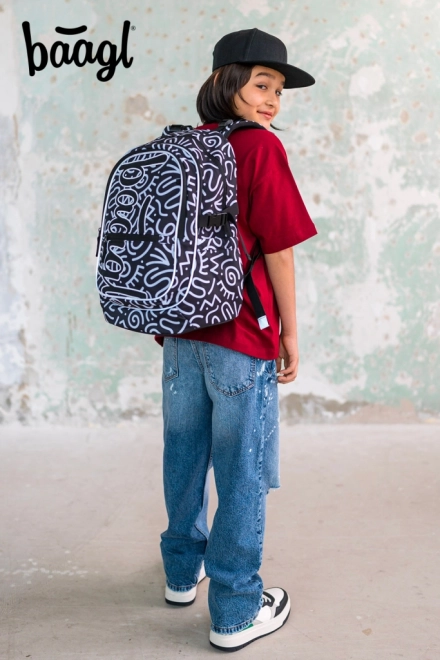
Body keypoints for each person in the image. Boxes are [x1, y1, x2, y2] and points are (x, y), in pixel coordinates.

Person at [154, 28, 318, 652]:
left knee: (184, 453)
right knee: (243, 468)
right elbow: (279, 250)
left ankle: (181, 573)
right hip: (242, 334)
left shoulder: (186, 145)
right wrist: (289, 332)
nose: (272, 100)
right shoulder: (259, 148)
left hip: (179, 331)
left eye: (278, 90)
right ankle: (235, 610)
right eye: (261, 85)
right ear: (227, 84)